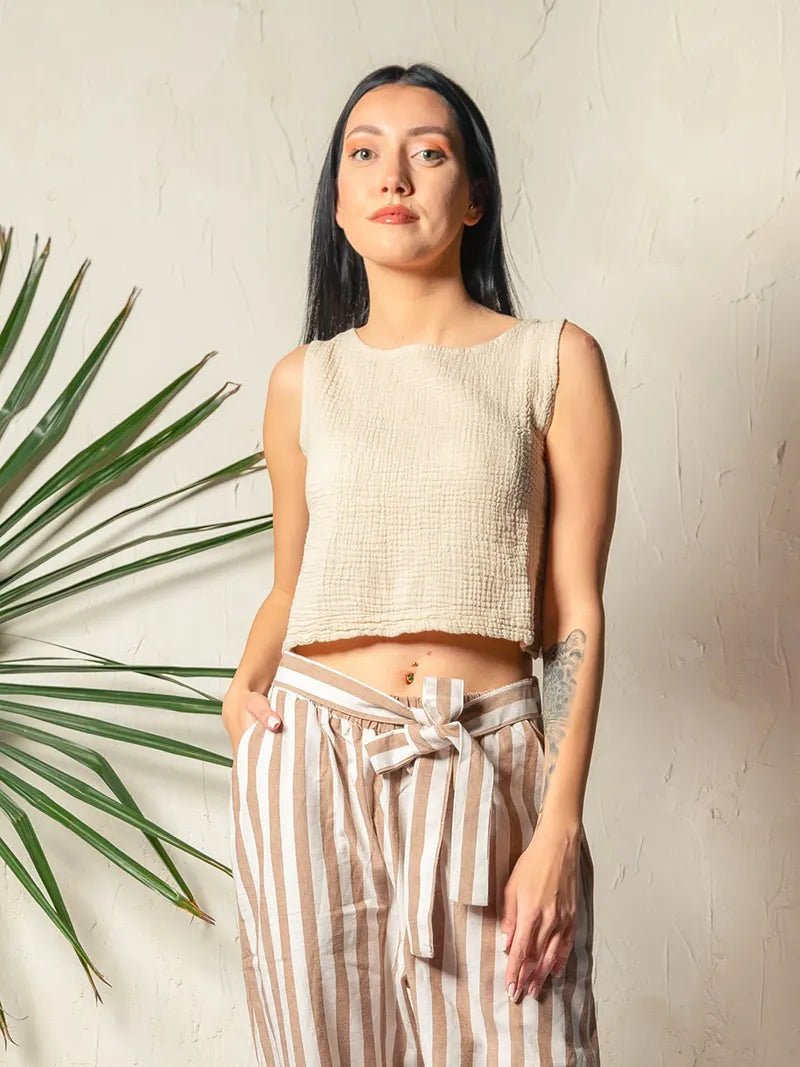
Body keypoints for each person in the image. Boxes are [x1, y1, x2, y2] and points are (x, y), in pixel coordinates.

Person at [223, 60, 621, 1067]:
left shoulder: (553, 360)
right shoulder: (301, 380)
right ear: (341, 205)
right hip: (307, 753)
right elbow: (289, 580)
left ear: (473, 195)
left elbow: (573, 611)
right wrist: (242, 686)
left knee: (525, 1040)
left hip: (484, 756)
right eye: (364, 154)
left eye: (427, 152)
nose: (392, 175)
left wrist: (557, 824)